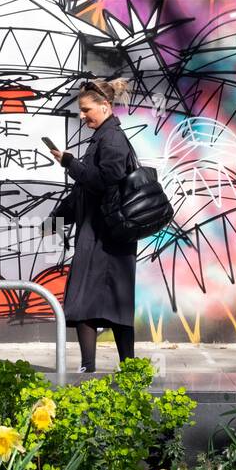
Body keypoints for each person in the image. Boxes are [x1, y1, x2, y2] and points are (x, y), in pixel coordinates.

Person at [46, 77, 138, 373]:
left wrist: (69, 162)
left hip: (107, 238)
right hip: (100, 235)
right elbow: (84, 192)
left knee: (97, 303)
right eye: (81, 111)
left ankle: (118, 368)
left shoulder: (112, 140)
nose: (83, 116)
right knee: (97, 304)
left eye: (86, 110)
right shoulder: (103, 137)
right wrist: (58, 219)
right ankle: (101, 368)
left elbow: (102, 182)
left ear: (105, 107)